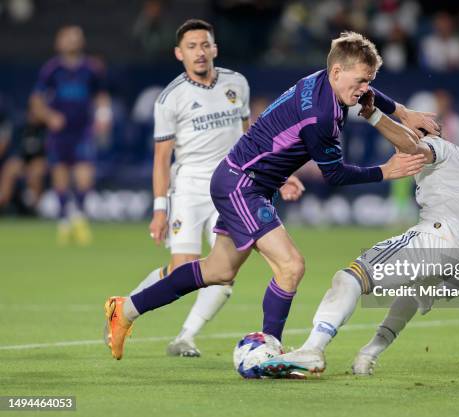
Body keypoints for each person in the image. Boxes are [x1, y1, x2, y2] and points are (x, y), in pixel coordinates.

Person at [104, 31, 439, 361]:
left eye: (370, 80)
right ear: (338, 72)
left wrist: (401, 111)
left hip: (243, 180)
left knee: (218, 270)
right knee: (291, 266)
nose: (365, 88)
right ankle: (269, 349)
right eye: (361, 80)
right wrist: (386, 171)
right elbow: (335, 174)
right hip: (242, 185)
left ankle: (125, 309)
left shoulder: (323, 80)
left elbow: (367, 96)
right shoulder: (321, 117)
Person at [263, 92, 459, 376]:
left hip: (439, 239)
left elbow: (414, 147)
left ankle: (313, 349)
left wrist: (374, 116)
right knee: (411, 293)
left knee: (350, 277)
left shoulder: (439, 147)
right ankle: (369, 353)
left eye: (411, 132)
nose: (402, 141)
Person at [127, 19, 305, 358]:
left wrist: (279, 176)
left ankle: (185, 337)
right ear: (179, 53)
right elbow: (161, 159)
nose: (200, 52)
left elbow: (250, 138)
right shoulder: (170, 99)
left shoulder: (236, 83)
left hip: (232, 187)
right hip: (191, 188)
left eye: (205, 45)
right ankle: (124, 309)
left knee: (223, 272)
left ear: (215, 49)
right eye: (192, 47)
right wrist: (159, 209)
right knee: (184, 270)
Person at [30, 25, 112, 245]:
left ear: (82, 42)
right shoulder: (51, 70)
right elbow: (36, 101)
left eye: (76, 38)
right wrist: (49, 117)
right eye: (67, 38)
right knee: (60, 178)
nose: (72, 41)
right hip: (59, 133)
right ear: (59, 42)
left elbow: (101, 96)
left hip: (83, 130)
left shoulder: (91, 69)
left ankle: (80, 218)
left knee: (85, 177)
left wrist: (103, 116)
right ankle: (64, 222)